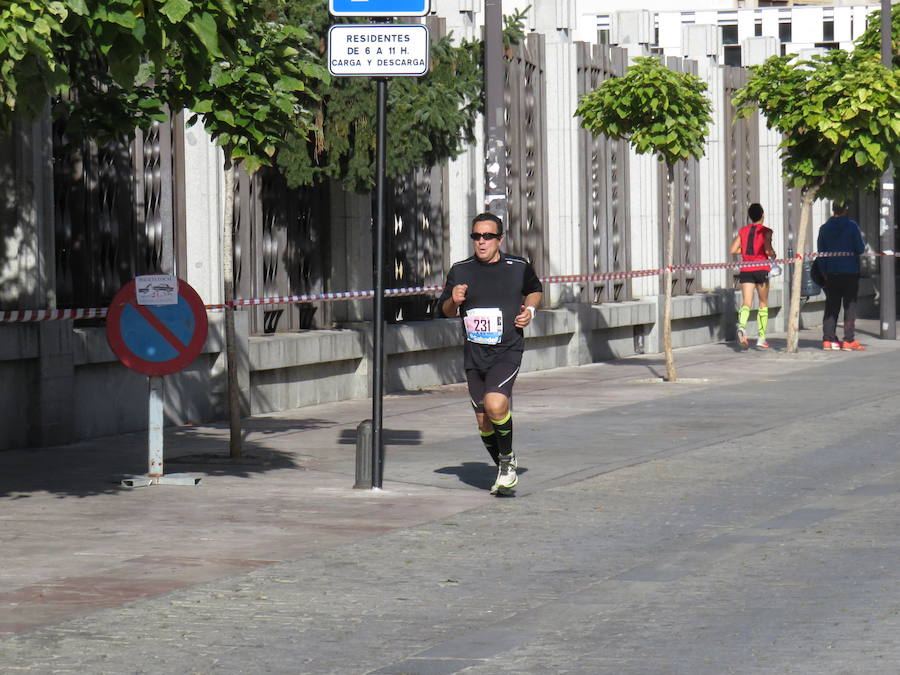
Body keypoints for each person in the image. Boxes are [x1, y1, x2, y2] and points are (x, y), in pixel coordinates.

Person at [438, 213, 543, 495]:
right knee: (483, 420)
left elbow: (535, 290)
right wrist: (454, 300)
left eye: (487, 236)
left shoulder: (518, 266)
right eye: (476, 236)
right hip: (474, 354)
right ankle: (503, 466)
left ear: (500, 239)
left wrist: (529, 311)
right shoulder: (460, 271)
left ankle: (507, 464)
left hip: (507, 349)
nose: (481, 242)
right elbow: (445, 310)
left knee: (496, 404)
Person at [817, 203, 867, 351]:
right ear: (846, 209)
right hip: (850, 271)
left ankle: (827, 339)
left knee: (832, 305)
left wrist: (824, 272)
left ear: (833, 209)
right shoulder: (852, 226)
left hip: (831, 273)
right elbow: (860, 248)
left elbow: (821, 254)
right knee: (849, 305)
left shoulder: (824, 228)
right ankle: (848, 339)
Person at [729, 203, 776, 349]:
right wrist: (773, 255)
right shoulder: (766, 231)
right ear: (763, 215)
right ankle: (761, 338)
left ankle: (742, 327)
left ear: (750, 216)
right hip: (761, 268)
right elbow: (768, 251)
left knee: (747, 302)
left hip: (746, 269)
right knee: (763, 302)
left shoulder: (743, 231)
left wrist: (746, 252)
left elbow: (733, 249)